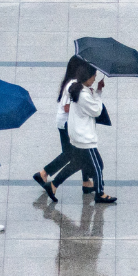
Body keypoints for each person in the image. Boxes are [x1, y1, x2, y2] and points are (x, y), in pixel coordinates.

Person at [33, 55, 91, 201]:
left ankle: (86, 182)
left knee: (73, 153)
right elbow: (67, 107)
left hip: (66, 123)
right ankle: (46, 176)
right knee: (76, 154)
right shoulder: (72, 83)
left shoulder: (74, 82)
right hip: (67, 124)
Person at [66, 63, 117, 203]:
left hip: (80, 135)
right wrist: (99, 94)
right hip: (85, 138)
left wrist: (98, 90)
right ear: (87, 77)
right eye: (94, 76)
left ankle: (54, 184)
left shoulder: (81, 90)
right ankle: (100, 193)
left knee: (83, 164)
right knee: (97, 166)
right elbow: (96, 110)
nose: (95, 78)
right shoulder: (83, 95)